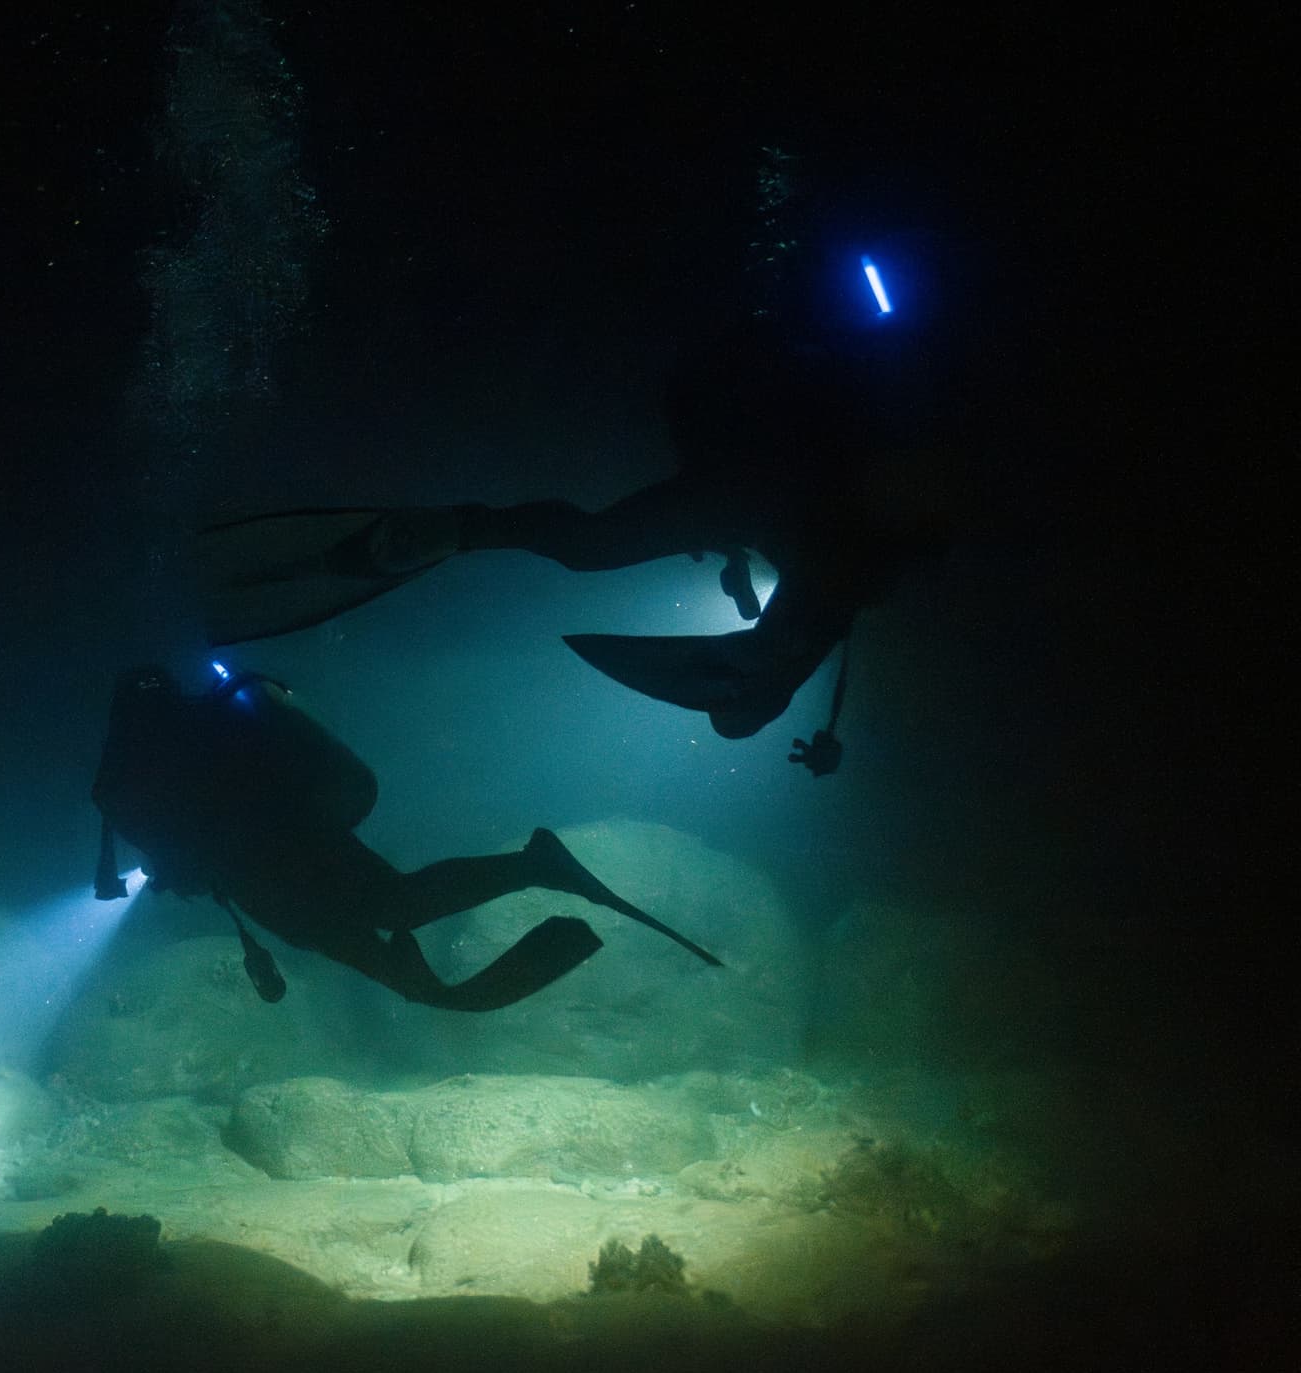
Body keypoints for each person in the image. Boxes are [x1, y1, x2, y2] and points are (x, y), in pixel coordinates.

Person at [194, 264, 956, 762]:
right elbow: (828, 569)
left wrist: (732, 541)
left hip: (758, 502)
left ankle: (467, 528)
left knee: (593, 548)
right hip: (766, 505)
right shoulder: (851, 526)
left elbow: (820, 562)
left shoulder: (850, 517)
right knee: (604, 553)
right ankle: (467, 528)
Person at [91, 664, 720, 1010]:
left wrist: (183, 869)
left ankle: (530, 870)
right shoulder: (205, 731)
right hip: (300, 844)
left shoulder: (126, 774)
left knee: (382, 924)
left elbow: (172, 853)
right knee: (390, 907)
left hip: (271, 874)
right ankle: (531, 868)